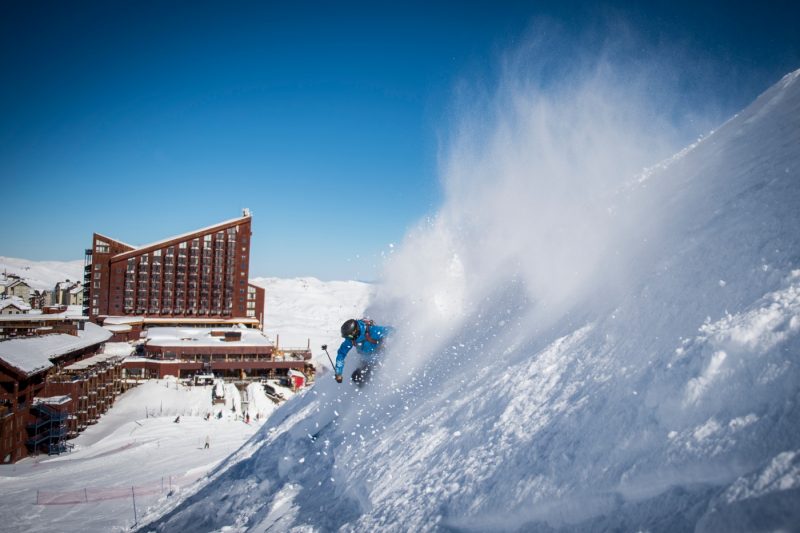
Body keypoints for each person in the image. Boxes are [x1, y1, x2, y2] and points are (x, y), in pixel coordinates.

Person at [335, 318, 392, 384]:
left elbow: (391, 330)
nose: (348, 339)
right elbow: (342, 353)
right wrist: (338, 372)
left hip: (379, 357)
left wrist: (387, 341)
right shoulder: (351, 338)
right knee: (356, 377)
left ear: (355, 332)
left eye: (349, 337)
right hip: (366, 360)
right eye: (347, 337)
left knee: (365, 377)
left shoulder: (373, 331)